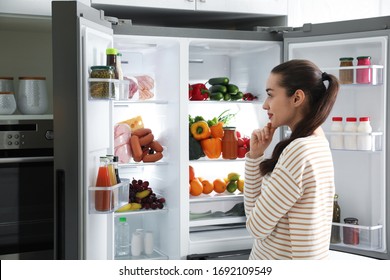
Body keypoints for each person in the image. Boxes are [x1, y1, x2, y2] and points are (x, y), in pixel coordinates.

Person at [244, 59, 339, 260]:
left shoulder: (298, 150)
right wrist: (256, 155)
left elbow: (256, 227)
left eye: (270, 95)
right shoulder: (318, 140)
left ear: (297, 98)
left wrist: (253, 159)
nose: (264, 105)